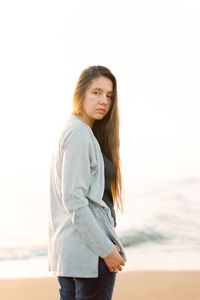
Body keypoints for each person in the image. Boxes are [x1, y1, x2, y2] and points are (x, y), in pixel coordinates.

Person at [48, 65, 127, 300]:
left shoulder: (70, 129)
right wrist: (107, 250)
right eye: (96, 92)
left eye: (109, 96)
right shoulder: (80, 134)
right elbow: (74, 201)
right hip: (90, 257)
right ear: (80, 93)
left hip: (70, 256)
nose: (103, 100)